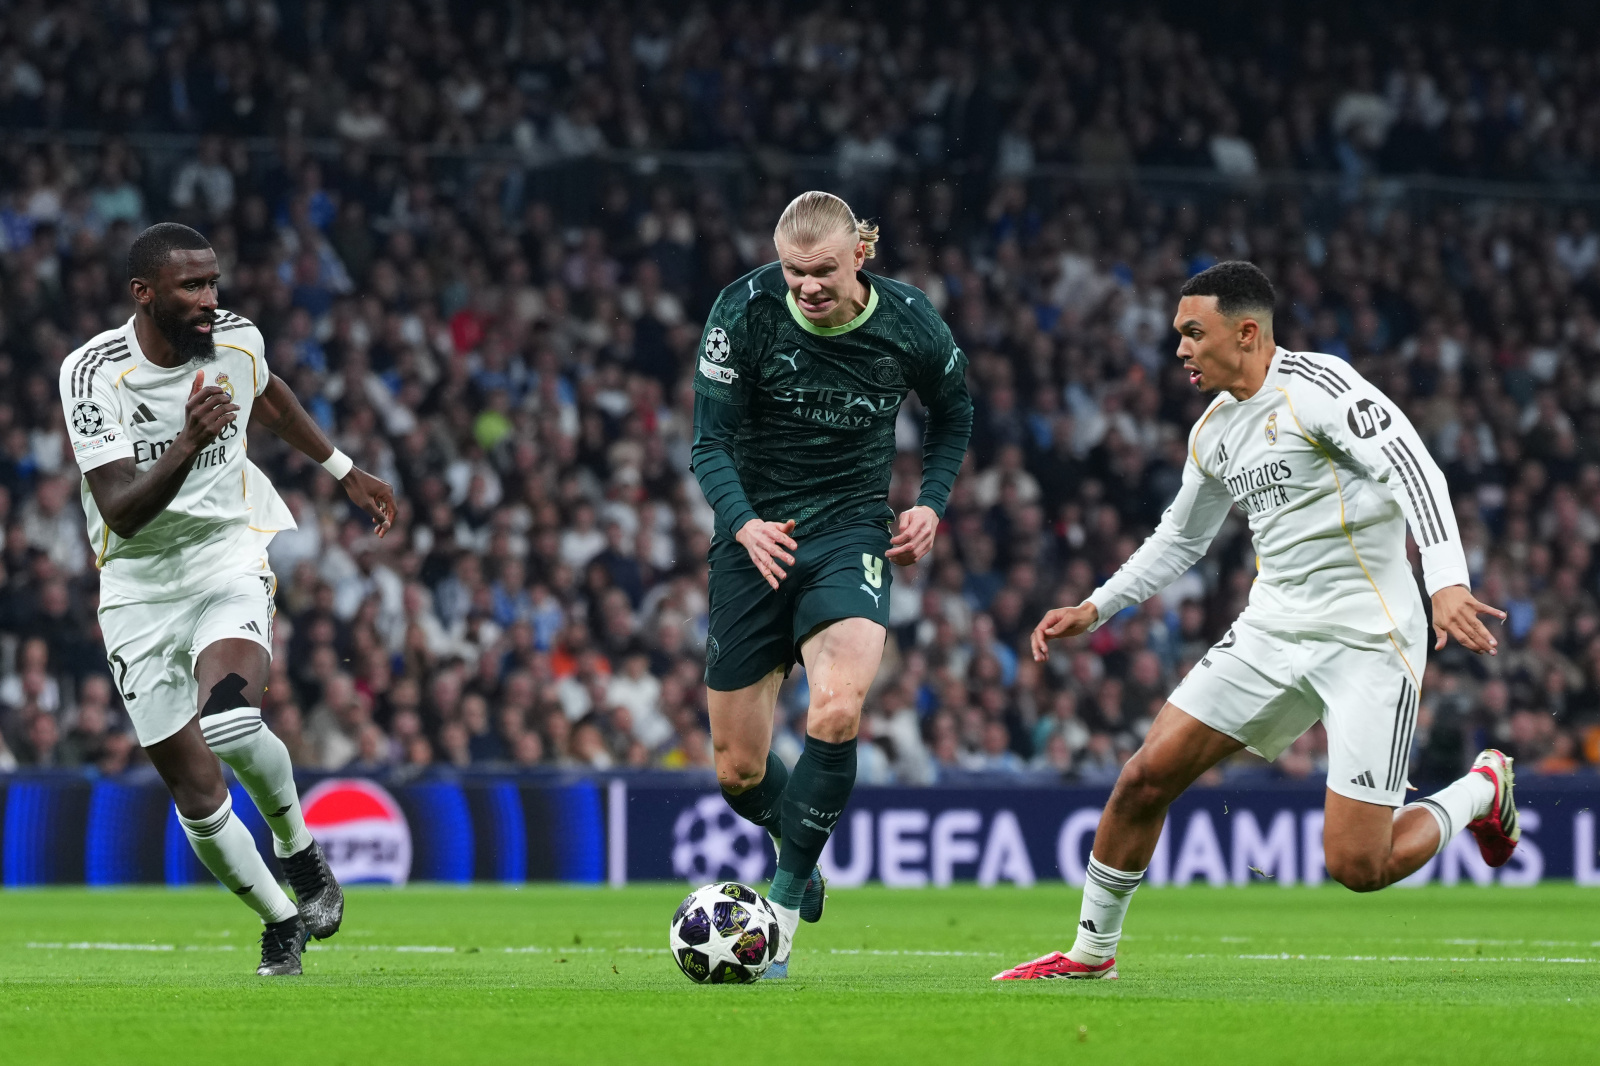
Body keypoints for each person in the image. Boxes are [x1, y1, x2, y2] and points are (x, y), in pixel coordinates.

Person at [995, 261, 1517, 982]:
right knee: (1145, 777)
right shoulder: (1213, 431)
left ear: (1245, 332)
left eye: (1191, 332)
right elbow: (1180, 539)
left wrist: (1446, 582)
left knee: (1359, 865)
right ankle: (1091, 955)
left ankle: (1483, 790)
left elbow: (1415, 468)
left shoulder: (1320, 391)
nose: (1178, 348)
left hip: (1368, 638)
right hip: (1272, 630)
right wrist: (1097, 605)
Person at [59, 223, 396, 976]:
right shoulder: (91, 376)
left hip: (226, 556)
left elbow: (268, 397)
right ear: (143, 294)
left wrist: (344, 469)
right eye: (192, 286)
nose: (211, 299)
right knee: (197, 792)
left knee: (236, 721)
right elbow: (119, 511)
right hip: (137, 588)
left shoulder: (237, 340)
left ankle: (298, 851)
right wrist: (186, 443)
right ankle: (280, 920)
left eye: (213, 282)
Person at [691, 191, 972, 977]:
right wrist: (744, 522)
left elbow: (954, 412)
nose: (806, 286)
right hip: (753, 540)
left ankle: (778, 913)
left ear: (860, 255)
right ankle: (797, 847)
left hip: (852, 532)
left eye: (821, 271)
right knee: (738, 771)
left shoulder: (910, 322)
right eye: (792, 271)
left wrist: (931, 503)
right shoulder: (742, 311)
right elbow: (707, 444)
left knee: (838, 707)